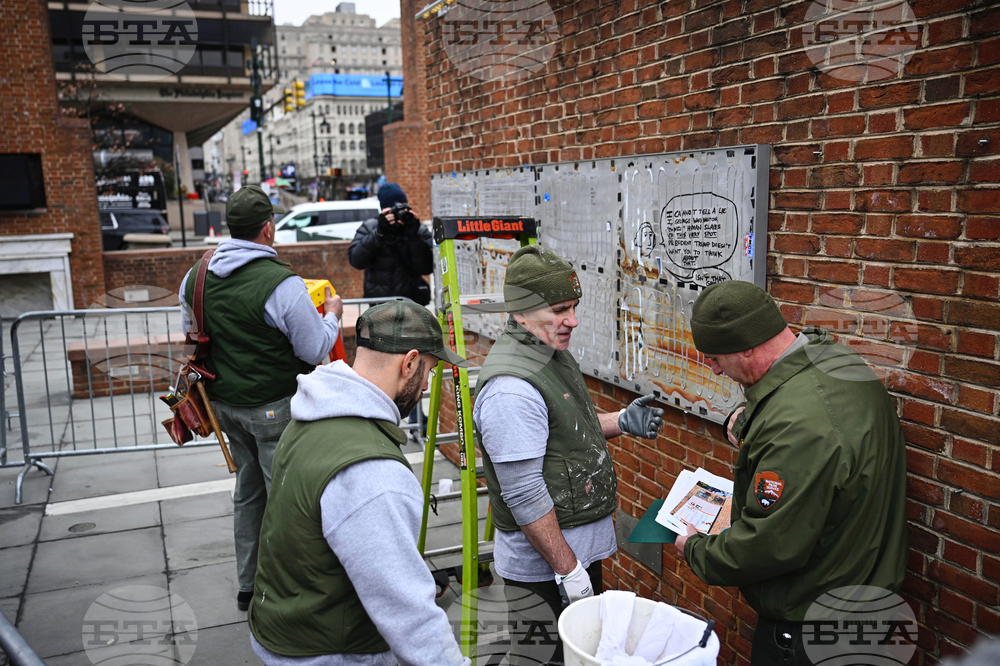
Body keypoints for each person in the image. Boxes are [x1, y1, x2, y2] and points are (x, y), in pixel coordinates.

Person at [673, 280, 908, 666]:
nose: (713, 370)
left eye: (715, 357)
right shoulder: (836, 363)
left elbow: (770, 544)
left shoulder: (798, 427)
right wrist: (746, 422)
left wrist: (697, 550)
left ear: (747, 345)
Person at [247, 300, 469, 666]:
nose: (427, 385)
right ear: (409, 362)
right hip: (333, 650)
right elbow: (407, 609)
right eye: (428, 370)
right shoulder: (372, 470)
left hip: (283, 627)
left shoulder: (309, 417)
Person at [472, 245, 665, 663]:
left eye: (574, 306)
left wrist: (619, 422)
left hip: (569, 555)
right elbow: (523, 493)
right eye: (560, 309)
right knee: (542, 658)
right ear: (521, 312)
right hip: (548, 568)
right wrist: (568, 569)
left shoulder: (545, 352)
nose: (572, 320)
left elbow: (564, 427)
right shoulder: (511, 389)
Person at [178, 185, 343, 612]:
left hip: (223, 408)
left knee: (248, 493)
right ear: (269, 228)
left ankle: (248, 585)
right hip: (274, 408)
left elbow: (192, 334)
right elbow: (312, 349)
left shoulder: (195, 276)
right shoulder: (280, 284)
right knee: (287, 501)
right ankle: (291, 593)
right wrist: (332, 316)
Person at [348, 183, 434, 306]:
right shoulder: (371, 227)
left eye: (403, 206)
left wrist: (414, 237)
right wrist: (378, 234)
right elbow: (356, 260)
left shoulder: (417, 229)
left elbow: (427, 267)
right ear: (385, 209)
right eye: (394, 209)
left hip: (411, 303)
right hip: (379, 305)